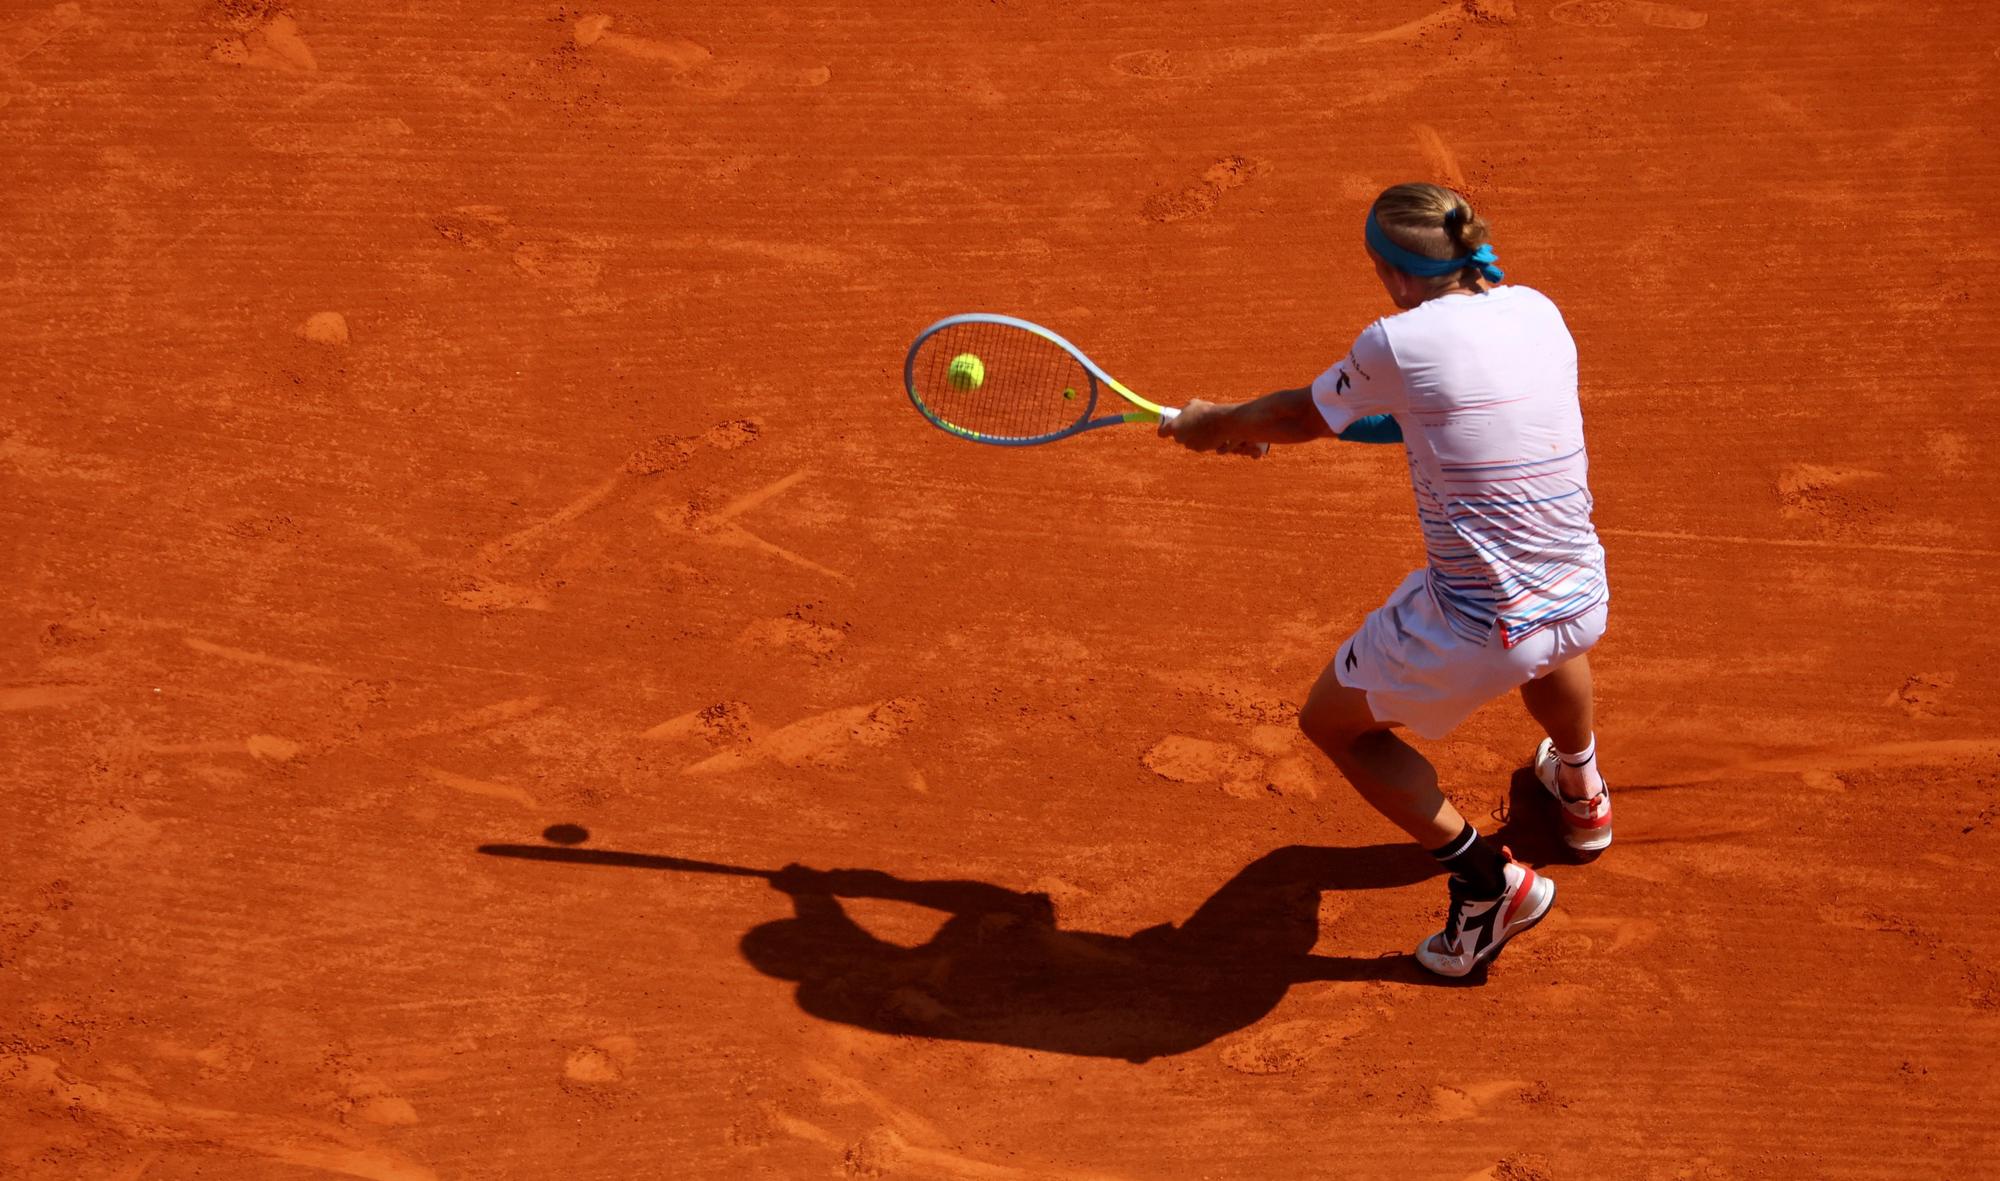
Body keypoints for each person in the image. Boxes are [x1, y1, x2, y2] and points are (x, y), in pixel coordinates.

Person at [1159, 182, 1612, 978]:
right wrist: (1260, 427)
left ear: (1397, 275)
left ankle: (1486, 883)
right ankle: (1582, 793)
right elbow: (1426, 413)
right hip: (1579, 593)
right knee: (1545, 641)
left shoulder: (1397, 340)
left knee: (1334, 725)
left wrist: (1215, 422)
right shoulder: (1538, 309)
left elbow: (1303, 413)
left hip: (1473, 626)